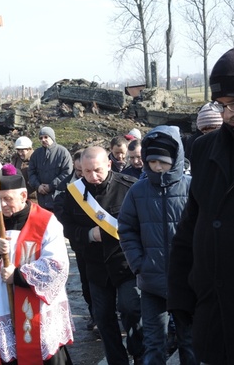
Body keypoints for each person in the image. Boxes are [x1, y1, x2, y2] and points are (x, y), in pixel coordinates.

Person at [168, 44, 234, 364]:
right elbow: (192, 224)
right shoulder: (206, 148)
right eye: (221, 104)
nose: (229, 113)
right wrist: (181, 292)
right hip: (215, 311)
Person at [0, 171, 74, 364]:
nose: (3, 206)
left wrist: (18, 276)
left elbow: (57, 265)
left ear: (23, 196)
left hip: (37, 303)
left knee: (43, 351)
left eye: (8, 199)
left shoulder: (46, 221)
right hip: (3, 299)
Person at [118, 126, 196, 364]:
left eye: (163, 161)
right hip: (151, 281)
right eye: (152, 162)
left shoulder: (191, 188)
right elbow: (126, 228)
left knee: (190, 342)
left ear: (175, 159)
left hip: (186, 281)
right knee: (153, 343)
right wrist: (139, 264)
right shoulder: (137, 191)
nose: (158, 167)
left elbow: (203, 229)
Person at [59, 146, 144, 365]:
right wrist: (87, 234)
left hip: (125, 263)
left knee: (131, 310)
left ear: (109, 164)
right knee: (104, 319)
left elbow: (142, 225)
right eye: (86, 172)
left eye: (97, 170)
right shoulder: (74, 193)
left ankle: (139, 353)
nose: (92, 176)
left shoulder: (130, 187)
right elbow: (67, 226)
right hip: (95, 266)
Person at [54, 149, 96, 331]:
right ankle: (94, 314)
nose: (81, 174)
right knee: (87, 281)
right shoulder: (67, 187)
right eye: (79, 170)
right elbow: (62, 214)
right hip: (81, 242)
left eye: (83, 170)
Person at [28, 126, 73, 211]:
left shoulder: (63, 152)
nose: (43, 140)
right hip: (41, 200)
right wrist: (38, 186)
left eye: (46, 137)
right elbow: (31, 172)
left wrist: (51, 186)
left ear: (52, 137)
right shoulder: (36, 154)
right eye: (41, 138)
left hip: (59, 199)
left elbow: (67, 173)